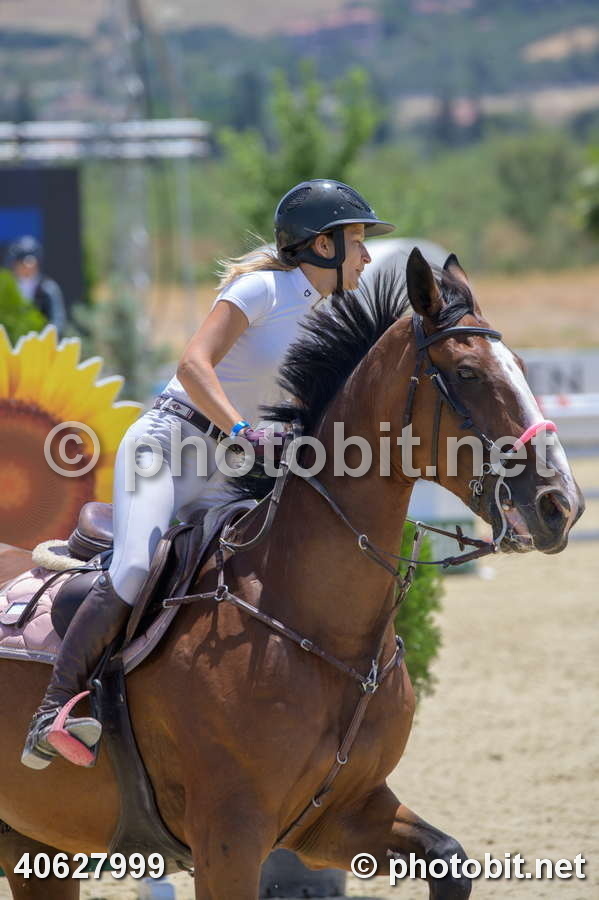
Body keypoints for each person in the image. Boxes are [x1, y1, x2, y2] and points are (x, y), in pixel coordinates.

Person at [22, 178, 395, 769]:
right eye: (358, 241)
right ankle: (54, 709)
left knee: (251, 577)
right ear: (323, 245)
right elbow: (194, 364)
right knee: (136, 567)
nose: (367, 256)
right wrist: (243, 430)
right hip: (169, 445)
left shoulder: (324, 318)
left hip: (229, 471)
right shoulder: (262, 289)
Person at [6, 236, 67, 337]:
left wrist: (45, 337)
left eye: (30, 264)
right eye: (21, 264)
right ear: (14, 265)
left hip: (40, 340)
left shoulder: (48, 288)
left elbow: (58, 320)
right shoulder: (7, 289)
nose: (26, 268)